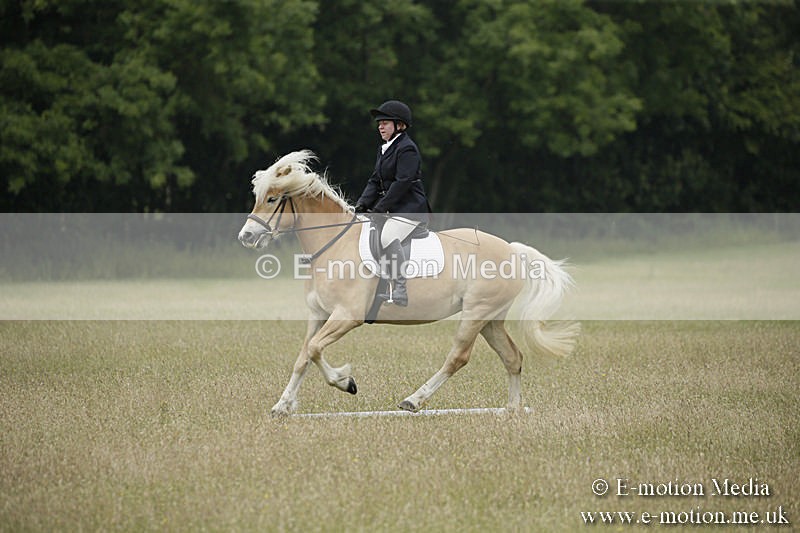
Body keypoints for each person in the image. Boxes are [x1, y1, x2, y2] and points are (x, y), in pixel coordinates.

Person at [354, 100, 430, 307]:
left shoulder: (407, 149)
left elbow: (402, 182)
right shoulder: (384, 149)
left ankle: (400, 289)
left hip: (411, 209)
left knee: (388, 235)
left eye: (385, 122)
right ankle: (381, 284)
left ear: (400, 125)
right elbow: (374, 181)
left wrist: (380, 207)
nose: (380, 126)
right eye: (379, 123)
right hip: (393, 208)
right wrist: (361, 204)